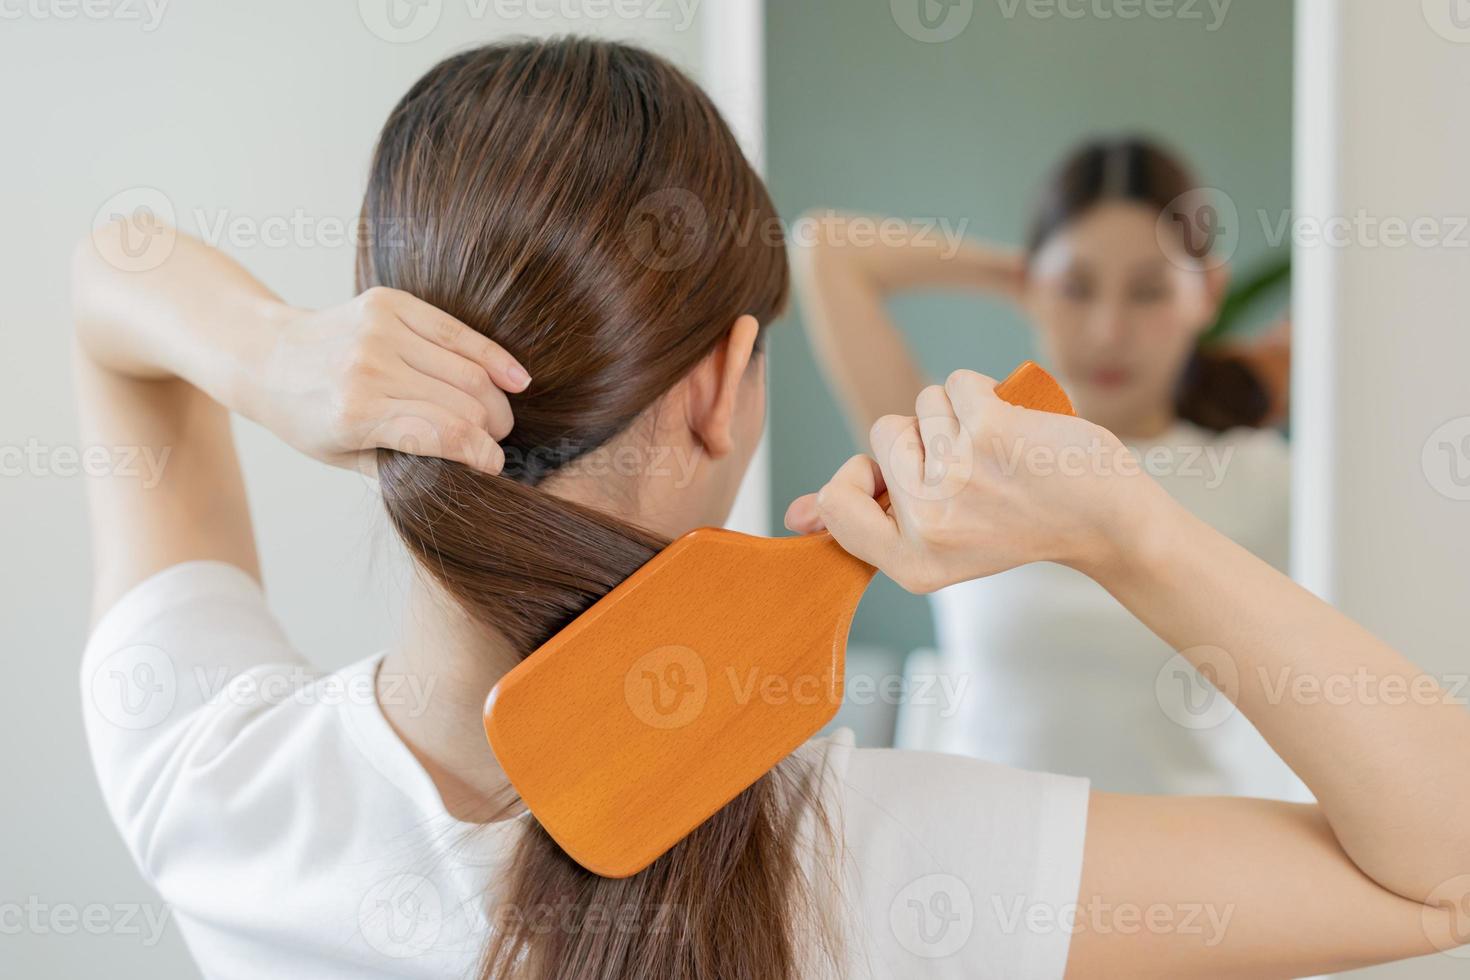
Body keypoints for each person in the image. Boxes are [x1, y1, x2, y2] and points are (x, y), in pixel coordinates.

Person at [75, 38, 1470, 980]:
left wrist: (263, 353)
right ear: (725, 390)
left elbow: (110, 289)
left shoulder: (206, 777)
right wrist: (1129, 529)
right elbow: (1440, 872)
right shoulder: (856, 862)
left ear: (372, 347)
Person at [794, 139, 1300, 796]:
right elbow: (825, 250)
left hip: (1188, 867)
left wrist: (1060, 277)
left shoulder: (1265, 481)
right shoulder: (960, 458)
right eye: (1077, 288)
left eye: (1148, 291)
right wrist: (1022, 276)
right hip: (984, 860)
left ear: (1208, 293)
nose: (1107, 329)